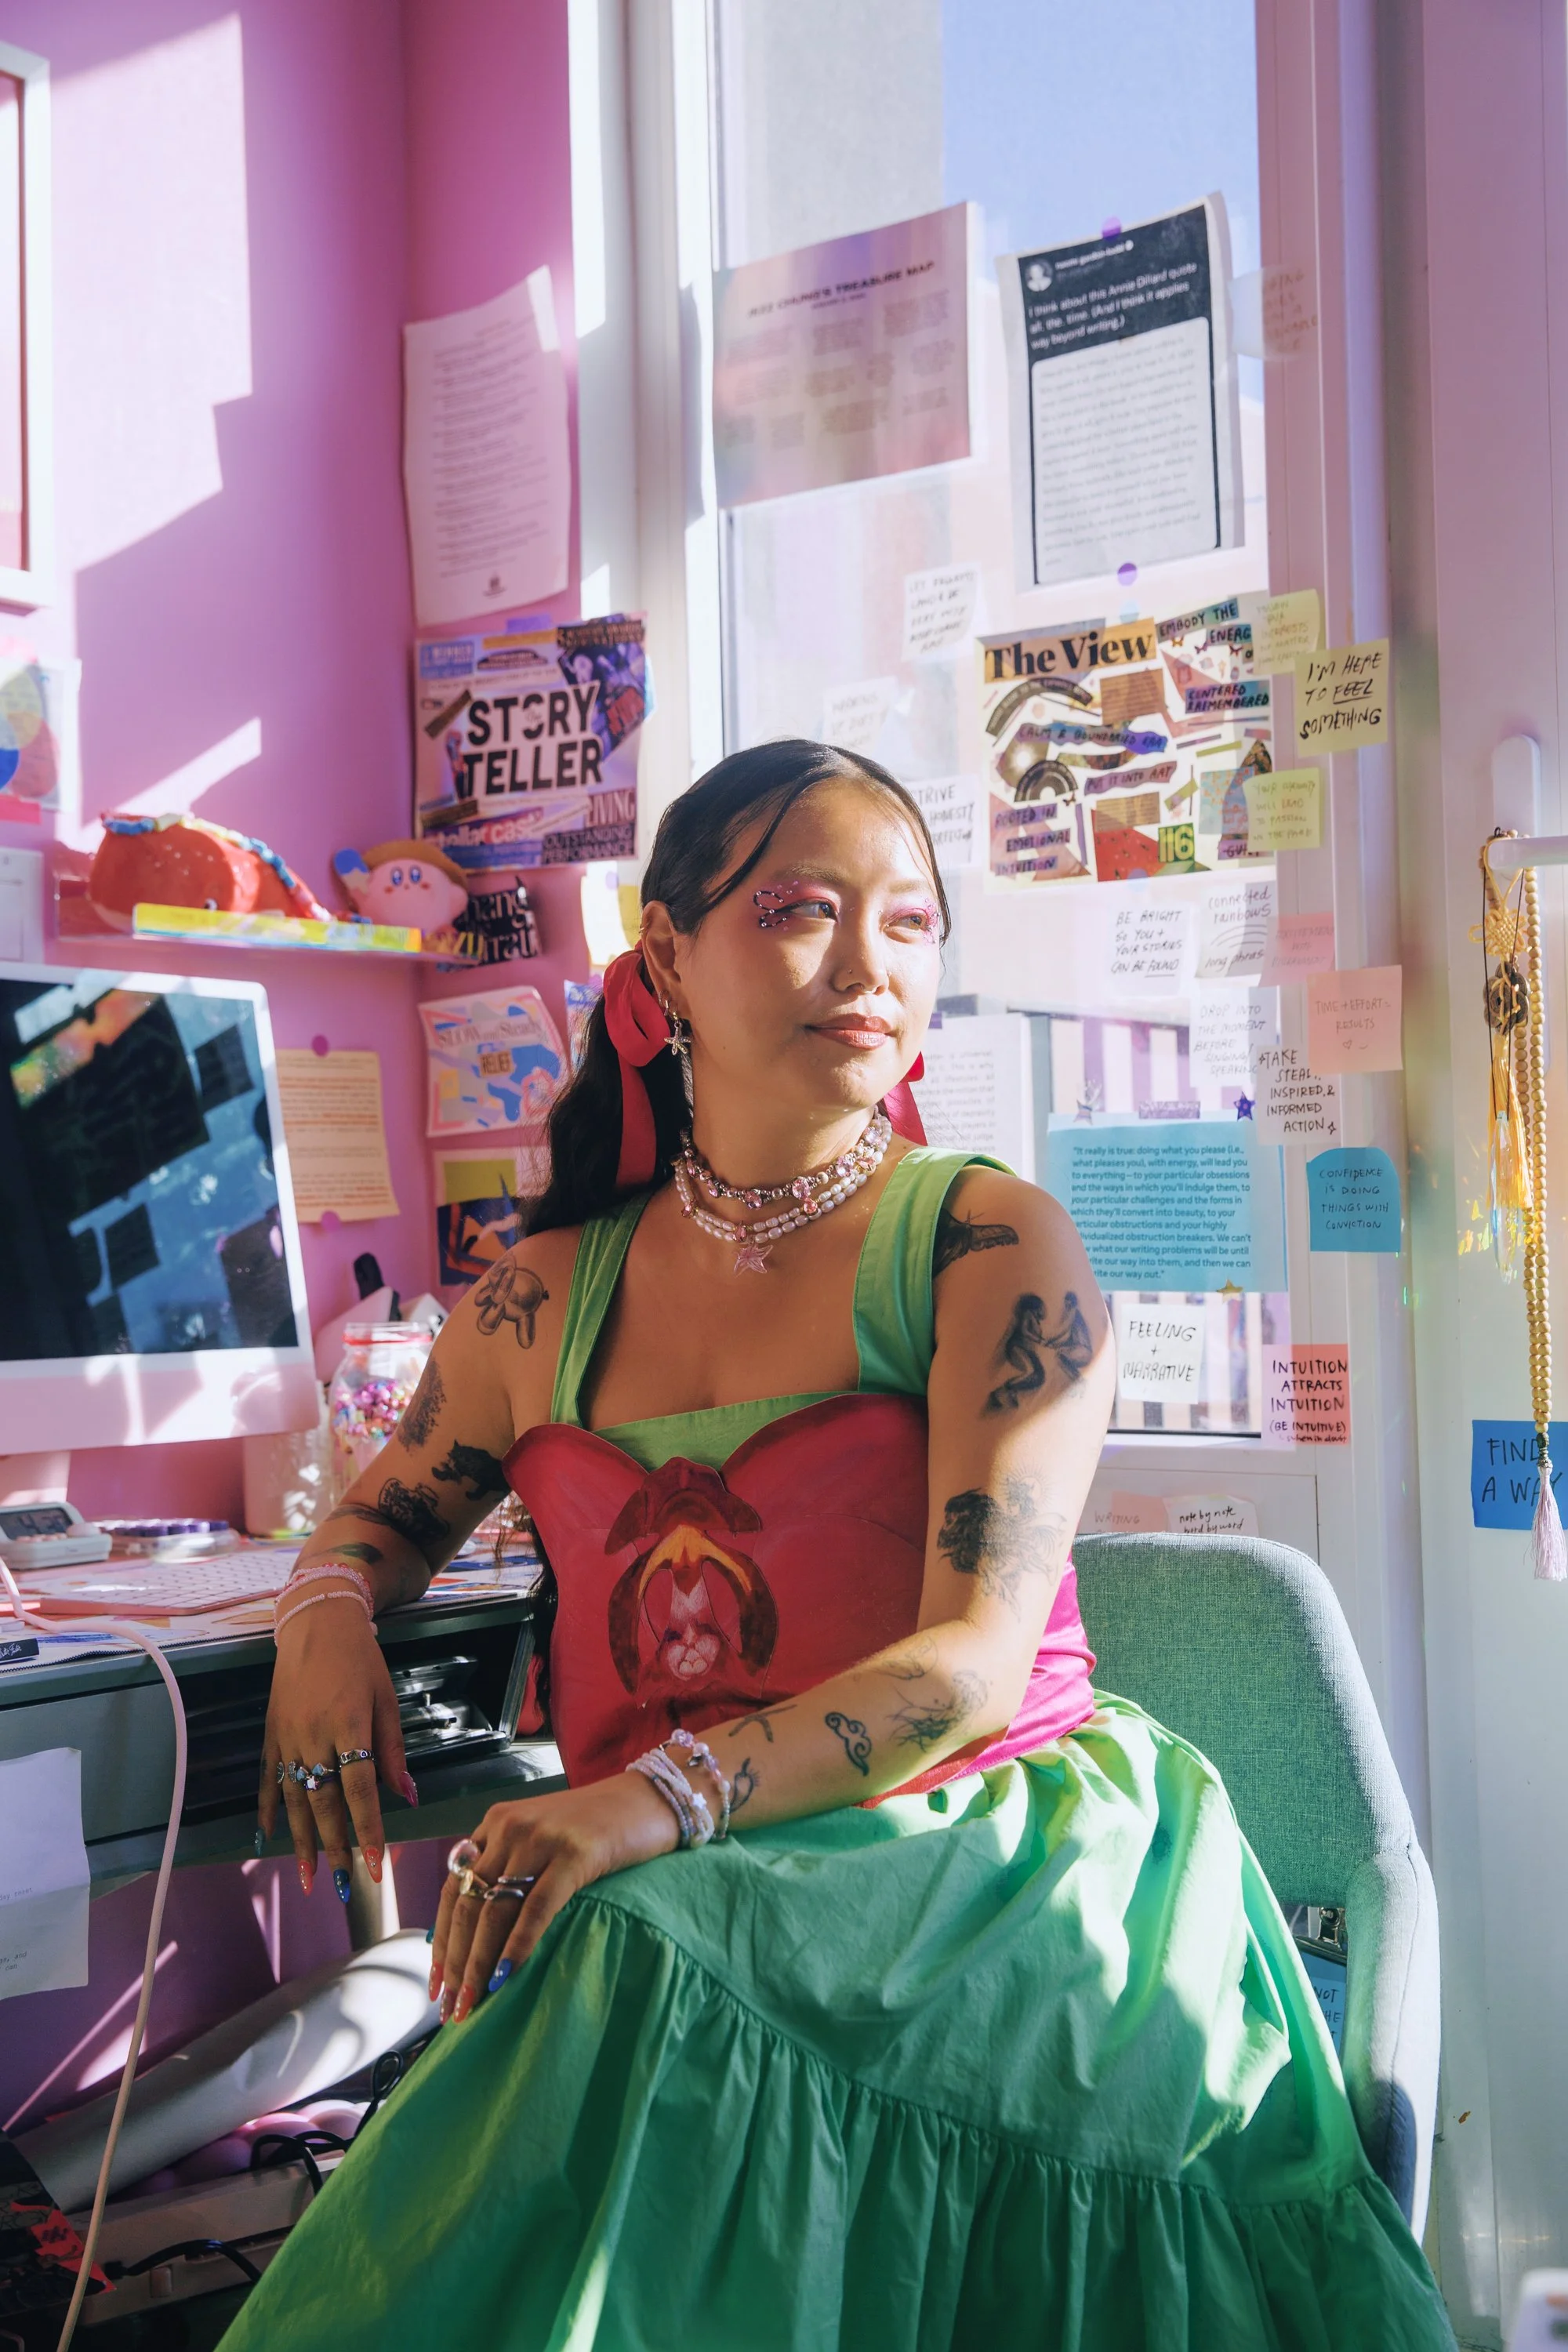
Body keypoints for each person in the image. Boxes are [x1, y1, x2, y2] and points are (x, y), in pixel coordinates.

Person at [224, 742, 1454, 2350]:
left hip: (986, 1840)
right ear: (665, 955)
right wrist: (322, 1608)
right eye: (801, 912)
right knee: (627, 1944)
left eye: (910, 922)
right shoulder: (544, 1292)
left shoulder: (987, 1242)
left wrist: (641, 1806)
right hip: (704, 1867)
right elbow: (381, 1515)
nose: (870, 967)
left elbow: (967, 1668)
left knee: (625, 1945)